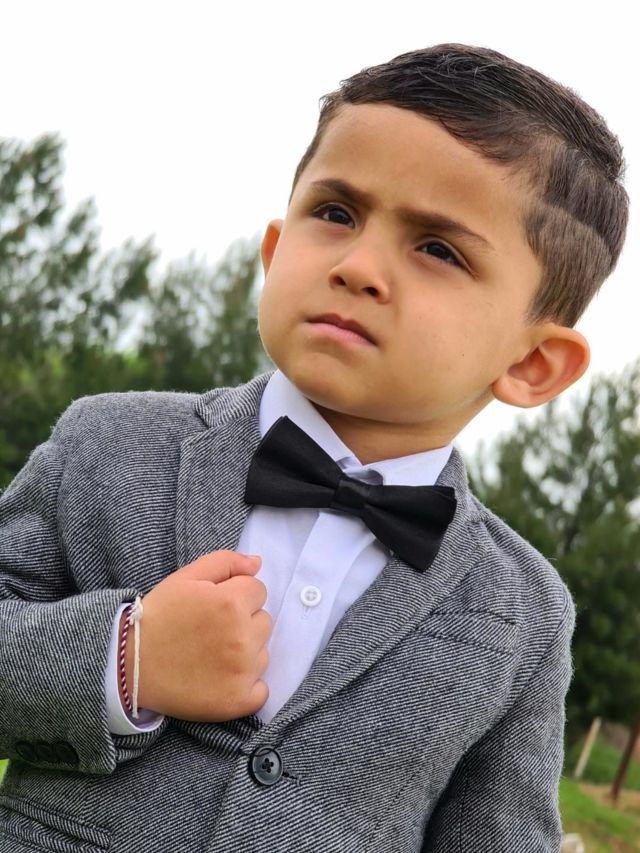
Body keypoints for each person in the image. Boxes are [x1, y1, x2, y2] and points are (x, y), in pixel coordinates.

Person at [0, 43, 629, 853]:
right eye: (335, 213)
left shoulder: (526, 611)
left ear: (533, 363)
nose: (358, 266)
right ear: (274, 252)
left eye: (438, 249)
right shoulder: (107, 442)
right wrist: (126, 658)